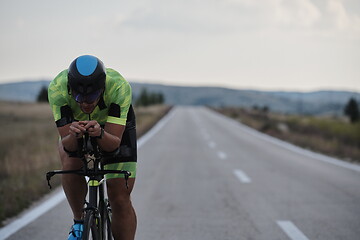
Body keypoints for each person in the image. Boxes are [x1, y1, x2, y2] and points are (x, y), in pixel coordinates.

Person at [48, 55, 137, 240]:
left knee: (120, 197)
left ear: (102, 89)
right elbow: (69, 145)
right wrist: (73, 135)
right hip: (76, 127)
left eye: (92, 96)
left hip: (113, 129)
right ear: (71, 90)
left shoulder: (118, 87)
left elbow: (113, 145)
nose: (85, 103)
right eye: (79, 97)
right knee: (70, 160)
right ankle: (79, 222)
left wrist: (101, 134)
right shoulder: (57, 88)